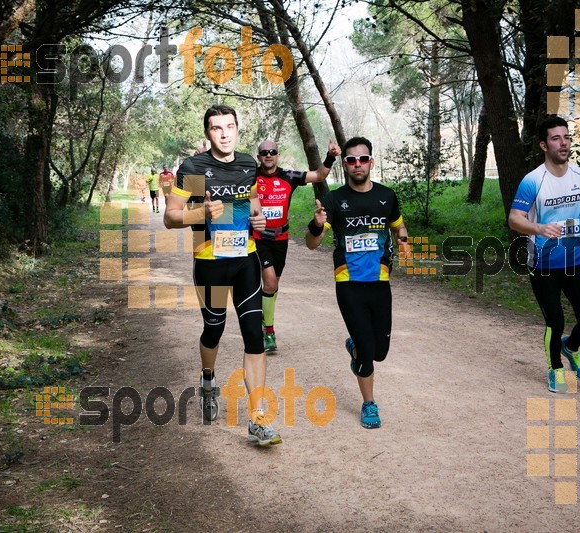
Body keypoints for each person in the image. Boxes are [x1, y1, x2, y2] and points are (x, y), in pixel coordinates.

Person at [163, 104, 282, 446]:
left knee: (254, 335)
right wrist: (201, 210)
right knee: (213, 329)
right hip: (210, 261)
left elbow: (253, 204)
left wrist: (258, 219)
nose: (225, 133)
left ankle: (258, 418)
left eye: (230, 126)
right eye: (217, 128)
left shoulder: (247, 164)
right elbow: (171, 217)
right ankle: (207, 380)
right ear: (208, 133)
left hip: (244, 260)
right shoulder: (195, 167)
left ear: (237, 130)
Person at [305, 136, 408, 428]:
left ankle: (354, 348)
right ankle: (369, 404)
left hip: (380, 282)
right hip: (348, 283)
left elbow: (398, 225)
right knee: (367, 352)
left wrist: (403, 240)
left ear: (371, 162)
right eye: (351, 160)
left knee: (379, 352)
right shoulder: (334, 200)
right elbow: (312, 243)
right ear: (345, 165)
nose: (357, 164)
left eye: (363, 159)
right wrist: (315, 224)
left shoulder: (387, 196)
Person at [508, 116, 580, 394]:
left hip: (575, 260)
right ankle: (555, 368)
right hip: (543, 263)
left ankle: (571, 346)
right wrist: (539, 227)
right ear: (544, 145)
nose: (563, 143)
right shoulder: (533, 181)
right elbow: (514, 219)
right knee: (555, 320)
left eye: (566, 137)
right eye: (556, 138)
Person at [255, 138, 341, 354]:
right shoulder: (251, 177)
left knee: (272, 286)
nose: (268, 155)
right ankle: (269, 332)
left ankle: (262, 316)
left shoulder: (289, 176)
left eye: (272, 151)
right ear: (259, 157)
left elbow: (319, 175)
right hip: (257, 238)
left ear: (277, 155)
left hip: (281, 239)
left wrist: (330, 156)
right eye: (264, 152)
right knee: (271, 282)